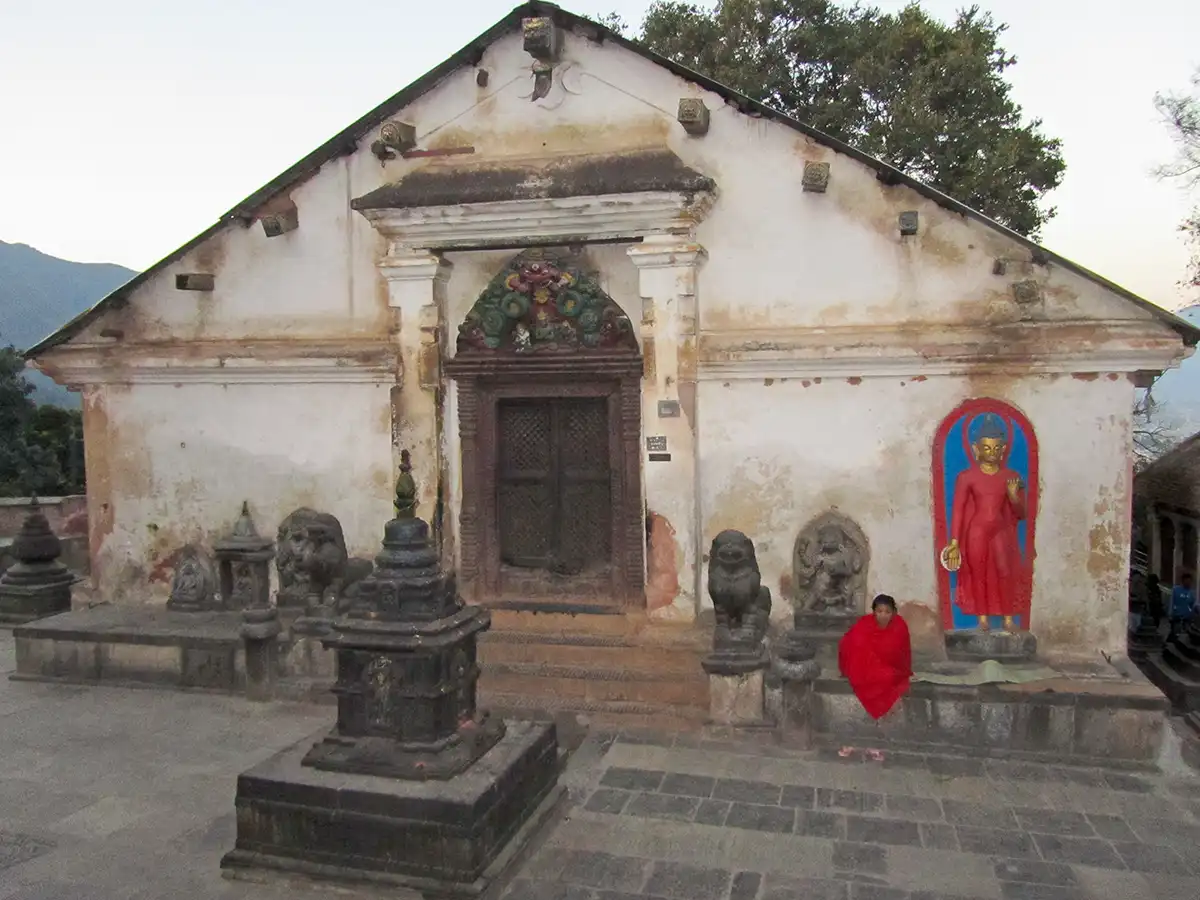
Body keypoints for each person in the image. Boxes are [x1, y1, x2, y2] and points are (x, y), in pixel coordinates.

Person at [939, 413, 1028, 632]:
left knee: (1005, 571)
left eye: (997, 448)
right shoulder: (967, 477)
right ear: (976, 449)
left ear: (1004, 448)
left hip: (1000, 530)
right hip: (976, 531)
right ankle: (982, 619)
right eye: (987, 448)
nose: (993, 453)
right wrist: (954, 542)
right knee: (977, 573)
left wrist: (1014, 496)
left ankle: (1008, 618)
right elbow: (958, 510)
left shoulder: (1011, 476)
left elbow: (1021, 514)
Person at [838, 594, 913, 720]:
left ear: (893, 613)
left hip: (891, 666)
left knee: (889, 677)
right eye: (879, 611)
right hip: (866, 665)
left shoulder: (900, 626)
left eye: (887, 612)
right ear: (874, 612)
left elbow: (902, 653)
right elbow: (850, 642)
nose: (883, 615)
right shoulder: (865, 623)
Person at [1170, 573, 1196, 637]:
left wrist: (1194, 614)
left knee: (1187, 634)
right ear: (1183, 581)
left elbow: (1193, 604)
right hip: (1177, 616)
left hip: (1187, 617)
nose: (1188, 583)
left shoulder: (1192, 592)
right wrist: (1170, 613)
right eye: (1186, 581)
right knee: (1176, 633)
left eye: (1189, 581)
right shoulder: (1176, 590)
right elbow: (1172, 602)